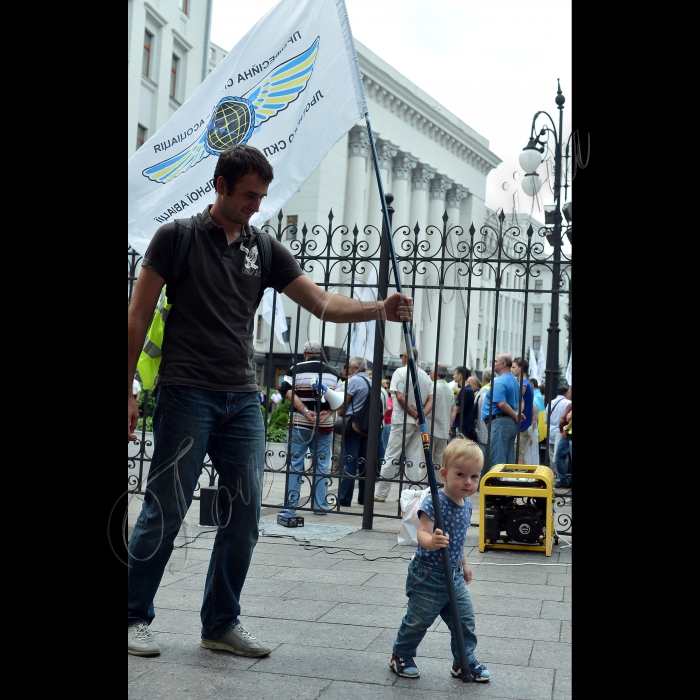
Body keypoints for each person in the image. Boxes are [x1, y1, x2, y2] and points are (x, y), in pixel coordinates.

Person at [127, 143, 413, 658]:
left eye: (261, 197)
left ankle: (220, 623)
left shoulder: (263, 247)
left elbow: (322, 303)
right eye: (247, 196)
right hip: (187, 391)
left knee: (246, 513)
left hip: (241, 399)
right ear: (220, 185)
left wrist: (379, 308)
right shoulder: (177, 237)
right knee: (165, 509)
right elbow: (137, 316)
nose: (256, 205)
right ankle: (131, 617)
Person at [387, 438, 490, 683]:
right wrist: (431, 541)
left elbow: (457, 540)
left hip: (453, 574)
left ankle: (463, 661)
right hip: (429, 575)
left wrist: (463, 564)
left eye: (474, 477)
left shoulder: (466, 504)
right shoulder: (435, 500)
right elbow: (422, 531)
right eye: (461, 474)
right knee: (418, 621)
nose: (468, 482)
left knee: (464, 622)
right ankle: (400, 655)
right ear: (444, 474)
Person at [278, 340, 343, 517]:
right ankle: (320, 506)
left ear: (305, 353)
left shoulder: (295, 369)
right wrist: (328, 413)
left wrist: (305, 411)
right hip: (324, 426)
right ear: (321, 353)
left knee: (295, 464)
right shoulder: (332, 373)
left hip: (300, 423)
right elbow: (340, 398)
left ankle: (290, 507)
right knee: (322, 465)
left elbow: (287, 391)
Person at [374, 347, 432, 502]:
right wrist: (421, 416)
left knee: (392, 455)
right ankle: (411, 492)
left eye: (401, 355)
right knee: (413, 458)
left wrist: (414, 414)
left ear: (406, 357)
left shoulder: (400, 372)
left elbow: (399, 397)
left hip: (402, 419)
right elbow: (431, 399)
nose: (401, 358)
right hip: (417, 422)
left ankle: (381, 492)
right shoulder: (425, 376)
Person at [336, 356, 373, 506]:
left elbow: (345, 402)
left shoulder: (355, 381)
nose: (348, 369)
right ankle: (363, 497)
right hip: (367, 427)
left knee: (349, 461)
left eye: (350, 367)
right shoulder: (371, 381)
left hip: (353, 426)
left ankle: (345, 499)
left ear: (356, 368)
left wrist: (338, 413)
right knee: (364, 462)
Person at [481, 354, 521, 470]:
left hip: (498, 423)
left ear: (503, 364)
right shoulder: (515, 381)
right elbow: (521, 402)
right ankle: (508, 484)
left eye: (495, 361)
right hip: (509, 423)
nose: (493, 363)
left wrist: (515, 415)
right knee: (508, 459)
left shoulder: (499, 382)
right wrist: (516, 414)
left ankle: (498, 486)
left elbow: (501, 404)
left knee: (497, 460)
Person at [427, 363, 453, 471]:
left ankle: (424, 486)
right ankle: (438, 485)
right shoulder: (449, 389)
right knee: (439, 463)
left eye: (430, 371)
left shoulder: (432, 387)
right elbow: (453, 409)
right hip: (443, 430)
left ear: (434, 373)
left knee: (425, 461)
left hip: (430, 428)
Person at [511, 357, 535, 465]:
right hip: (527, 425)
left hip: (521, 426)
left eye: (513, 367)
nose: (511, 370)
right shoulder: (528, 384)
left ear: (521, 368)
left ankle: (519, 481)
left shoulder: (523, 385)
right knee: (523, 456)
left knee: (518, 457)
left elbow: (519, 405)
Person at [473, 368, 492, 480]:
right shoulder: (495, 390)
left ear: (483, 378)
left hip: (482, 430)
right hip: (492, 431)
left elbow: (475, 411)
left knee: (481, 459)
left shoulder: (482, 393)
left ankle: (481, 481)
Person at [546, 386, 571, 466]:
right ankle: (560, 474)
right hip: (562, 431)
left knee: (552, 454)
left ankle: (553, 474)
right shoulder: (567, 403)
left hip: (551, 430)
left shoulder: (551, 402)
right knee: (562, 455)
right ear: (566, 393)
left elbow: (546, 419)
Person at [449, 366, 475, 441]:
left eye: (455, 374)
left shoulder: (466, 391)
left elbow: (456, 409)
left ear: (460, 376)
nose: (453, 376)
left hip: (461, 426)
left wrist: (450, 425)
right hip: (463, 426)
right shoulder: (466, 390)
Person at [553, 405, 572, 488]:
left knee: (559, 456)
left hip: (569, 434)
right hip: (569, 433)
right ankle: (569, 480)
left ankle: (565, 480)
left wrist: (566, 427)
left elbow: (567, 418)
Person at [381, 378, 393, 453]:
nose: (387, 389)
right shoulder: (388, 397)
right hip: (388, 423)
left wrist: (381, 415)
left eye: (388, 388)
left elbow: (389, 407)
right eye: (385, 388)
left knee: (385, 445)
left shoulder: (388, 398)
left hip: (387, 423)